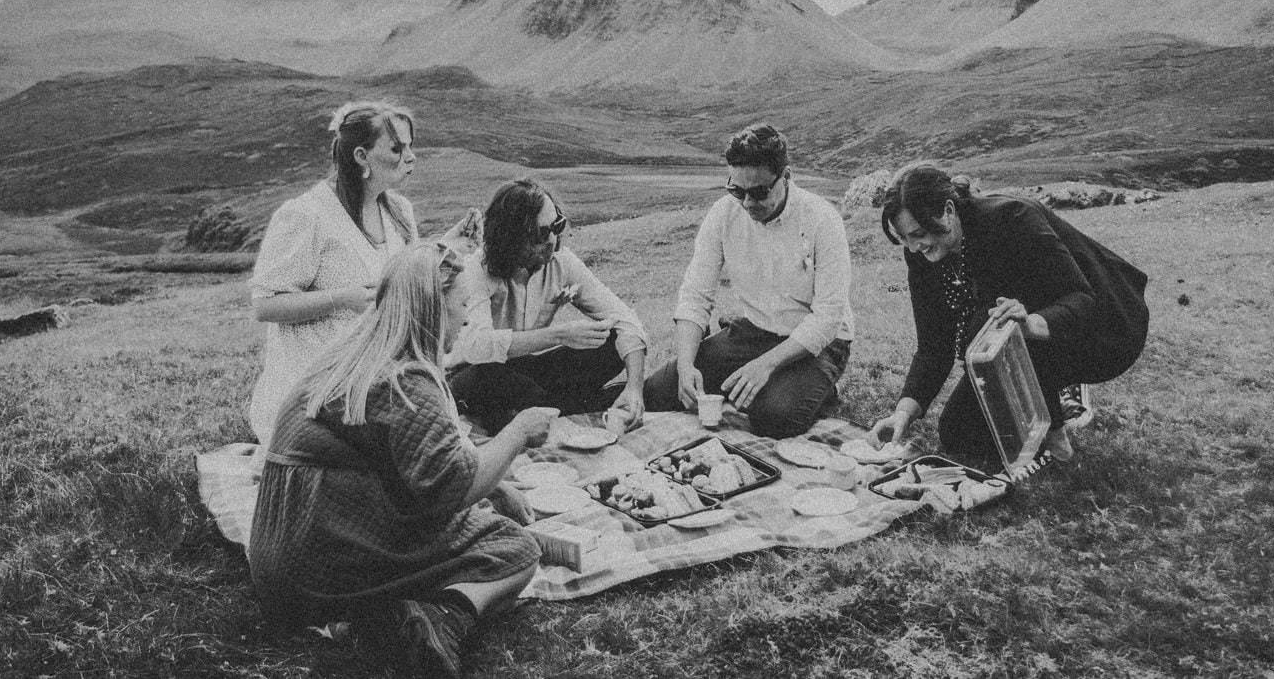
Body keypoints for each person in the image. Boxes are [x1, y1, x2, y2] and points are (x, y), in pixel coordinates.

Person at [247, 242, 549, 679]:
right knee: (516, 550)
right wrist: (518, 433)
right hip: (318, 565)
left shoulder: (351, 356)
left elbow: (398, 457)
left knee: (478, 518)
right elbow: (452, 491)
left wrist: (497, 484)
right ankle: (446, 618)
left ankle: (372, 618)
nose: (466, 317)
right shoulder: (408, 382)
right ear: (432, 308)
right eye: (461, 304)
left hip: (279, 565)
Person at [869, 163, 1149, 474]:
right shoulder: (920, 254)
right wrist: (903, 413)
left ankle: (1057, 428)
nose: (914, 247)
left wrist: (1030, 324)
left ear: (948, 210)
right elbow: (935, 344)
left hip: (1102, 328)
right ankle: (1046, 400)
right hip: (1017, 335)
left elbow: (1080, 298)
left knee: (991, 326)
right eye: (905, 238)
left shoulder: (1012, 219)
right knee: (958, 434)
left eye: (919, 234)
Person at [246, 99, 475, 449]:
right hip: (312, 389)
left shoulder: (399, 210)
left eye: (410, 148)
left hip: (373, 377)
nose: (410, 158)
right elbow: (265, 306)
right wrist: (342, 299)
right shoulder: (306, 216)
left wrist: (449, 245)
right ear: (361, 157)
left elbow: (404, 280)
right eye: (396, 149)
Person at [642, 123, 854, 438]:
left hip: (816, 343)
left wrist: (765, 366)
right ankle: (762, 385)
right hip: (754, 332)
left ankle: (820, 387)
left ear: (786, 177)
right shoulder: (723, 214)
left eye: (758, 193)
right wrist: (687, 365)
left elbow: (827, 318)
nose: (747, 203)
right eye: (736, 190)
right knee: (659, 391)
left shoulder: (822, 218)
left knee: (774, 418)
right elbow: (696, 295)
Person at [447, 178, 649, 433]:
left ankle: (555, 409)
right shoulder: (477, 269)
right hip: (474, 375)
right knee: (495, 380)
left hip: (524, 368)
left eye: (557, 226)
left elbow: (624, 318)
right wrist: (560, 336)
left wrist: (634, 387)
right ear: (511, 237)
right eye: (541, 234)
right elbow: (477, 347)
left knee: (609, 342)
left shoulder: (561, 262)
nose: (553, 239)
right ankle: (575, 407)